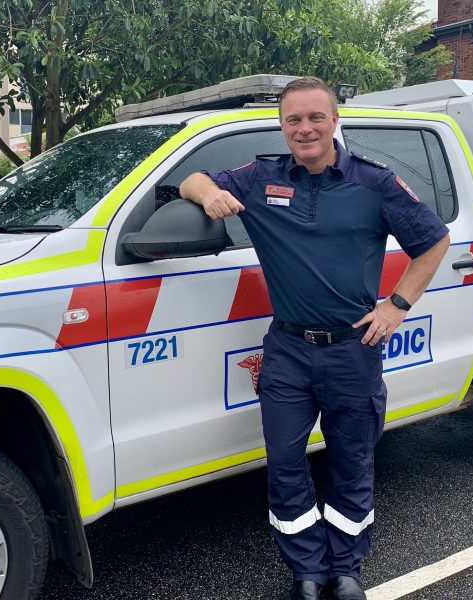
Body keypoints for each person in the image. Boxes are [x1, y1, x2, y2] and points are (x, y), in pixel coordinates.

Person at [180, 76, 450, 600]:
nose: (305, 129)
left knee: (352, 460)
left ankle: (346, 566)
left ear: (335, 120)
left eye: (315, 117)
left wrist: (396, 306)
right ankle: (306, 567)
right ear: (282, 127)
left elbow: (434, 240)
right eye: (293, 120)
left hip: (353, 350)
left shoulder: (374, 183)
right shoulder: (260, 177)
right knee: (284, 461)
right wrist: (211, 193)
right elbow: (190, 180)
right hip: (287, 351)